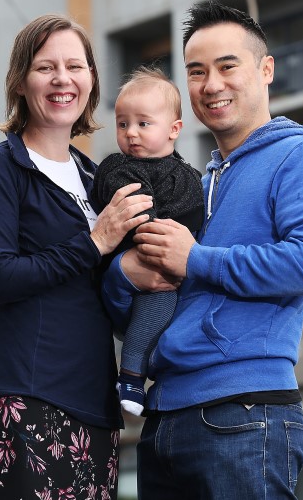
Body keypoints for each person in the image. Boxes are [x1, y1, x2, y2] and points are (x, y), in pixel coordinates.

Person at [102, 1, 303, 499]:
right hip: (162, 415)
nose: (210, 84)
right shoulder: (192, 182)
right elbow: (135, 311)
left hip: (245, 411)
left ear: (266, 70)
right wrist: (124, 275)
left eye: (226, 66)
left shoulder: (302, 157)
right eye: (196, 72)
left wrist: (195, 259)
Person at [0, 14, 155, 500]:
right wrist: (94, 242)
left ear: (91, 78)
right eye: (46, 67)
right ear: (21, 82)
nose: (62, 79)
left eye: (75, 66)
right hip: (22, 398)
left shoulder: (96, 180)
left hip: (95, 405)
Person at [92, 66, 204, 416]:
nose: (131, 133)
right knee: (158, 298)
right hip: (138, 257)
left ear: (174, 130)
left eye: (143, 123)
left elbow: (197, 217)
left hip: (177, 263)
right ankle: (130, 375)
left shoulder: (189, 175)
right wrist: (170, 246)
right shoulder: (117, 168)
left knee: (168, 301)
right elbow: (140, 216)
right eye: (123, 124)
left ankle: (146, 369)